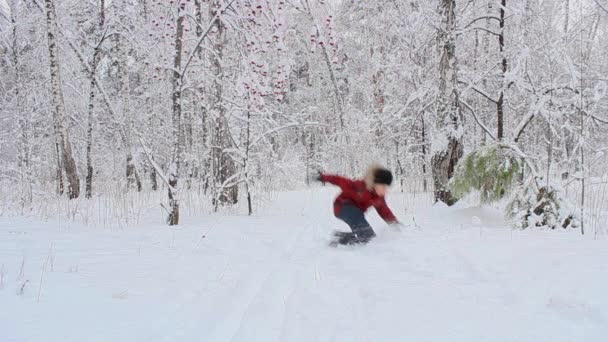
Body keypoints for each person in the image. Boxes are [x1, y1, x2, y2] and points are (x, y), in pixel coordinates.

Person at [317, 165, 402, 245]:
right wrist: (323, 177)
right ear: (374, 183)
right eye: (383, 187)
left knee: (369, 238)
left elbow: (384, 211)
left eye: (387, 188)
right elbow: (339, 180)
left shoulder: (379, 197)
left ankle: (340, 238)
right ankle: (357, 239)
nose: (385, 190)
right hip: (342, 207)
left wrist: (394, 223)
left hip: (357, 213)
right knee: (366, 234)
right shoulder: (359, 186)